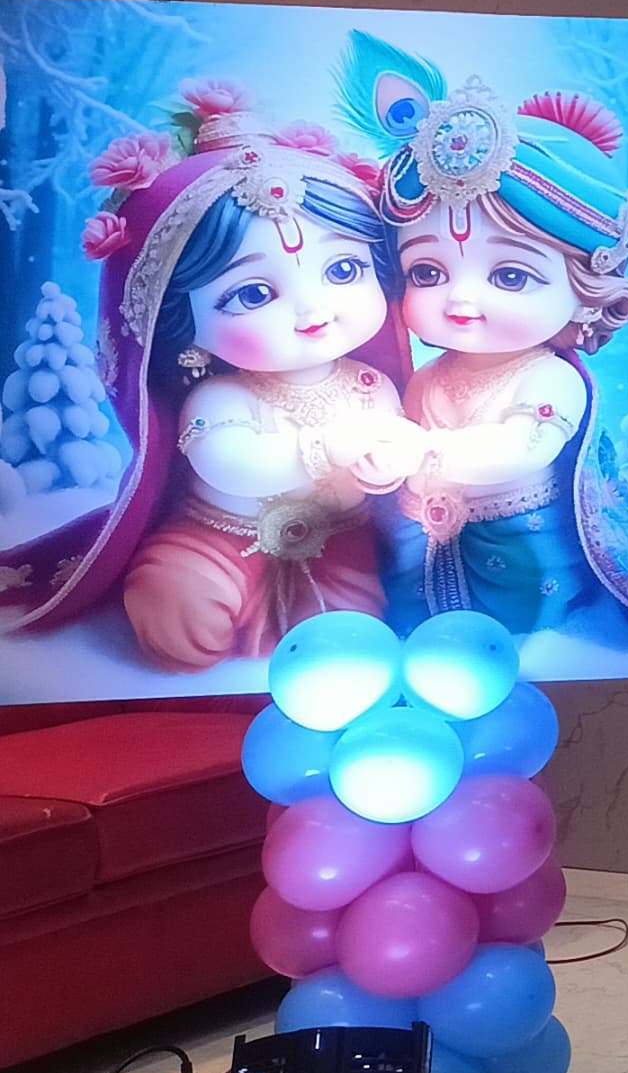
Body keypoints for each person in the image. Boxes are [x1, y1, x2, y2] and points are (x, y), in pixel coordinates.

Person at [0, 85, 413, 670]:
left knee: (351, 623)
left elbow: (390, 458)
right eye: (254, 293)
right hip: (219, 535)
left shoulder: (370, 387)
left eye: (343, 269)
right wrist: (326, 449)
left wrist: (388, 461)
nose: (313, 310)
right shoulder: (220, 397)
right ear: (182, 323)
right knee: (173, 601)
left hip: (337, 541)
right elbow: (229, 464)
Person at [342, 32, 628, 638]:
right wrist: (379, 464)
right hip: (426, 540)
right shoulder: (429, 378)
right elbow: (400, 451)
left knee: (502, 617)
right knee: (404, 604)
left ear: (585, 289)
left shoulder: (549, 379)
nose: (460, 299)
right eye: (428, 273)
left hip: (520, 550)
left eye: (509, 276)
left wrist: (422, 452)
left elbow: (524, 447)